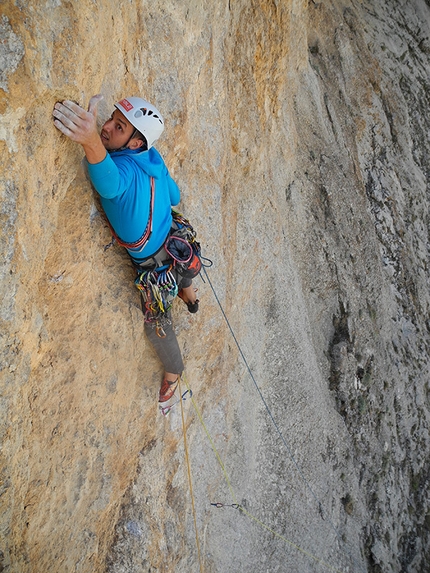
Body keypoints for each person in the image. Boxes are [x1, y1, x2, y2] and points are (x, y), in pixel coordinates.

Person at [53, 94, 198, 411]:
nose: (106, 127)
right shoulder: (152, 158)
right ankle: (189, 293)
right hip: (175, 241)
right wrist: (97, 138)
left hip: (156, 267)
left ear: (134, 143)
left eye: (118, 126)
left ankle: (175, 371)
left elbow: (110, 184)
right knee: (187, 262)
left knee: (156, 324)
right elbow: (174, 196)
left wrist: (90, 141)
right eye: (112, 119)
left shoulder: (126, 170)